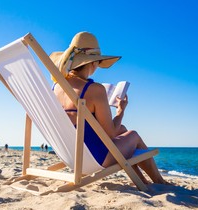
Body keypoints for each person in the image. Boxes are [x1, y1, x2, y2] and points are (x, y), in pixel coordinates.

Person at [50, 32, 168, 185]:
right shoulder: (95, 90)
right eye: (98, 63)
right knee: (134, 135)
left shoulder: (56, 88)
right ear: (92, 63)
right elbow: (110, 133)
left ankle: (141, 180)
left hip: (71, 155)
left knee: (123, 129)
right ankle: (159, 181)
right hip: (94, 158)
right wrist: (120, 111)